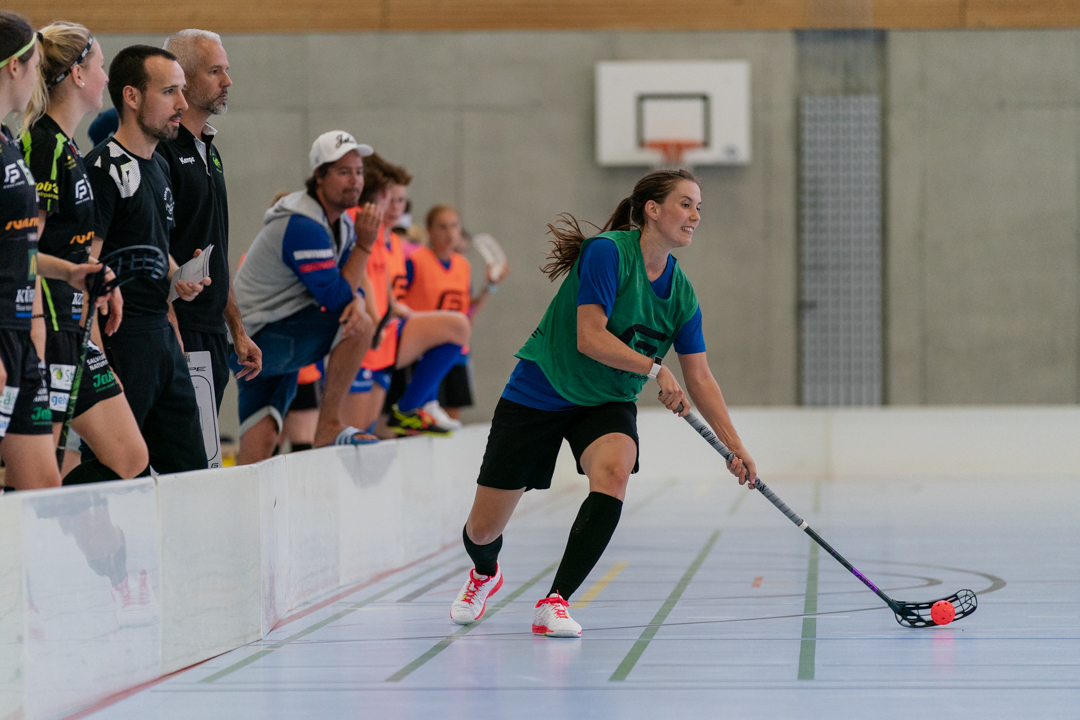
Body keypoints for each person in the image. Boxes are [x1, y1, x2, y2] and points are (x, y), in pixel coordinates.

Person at [447, 170, 758, 638]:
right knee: (483, 530)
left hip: (607, 401)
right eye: (686, 204)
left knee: (615, 470)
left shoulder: (682, 295)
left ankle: (554, 601)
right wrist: (655, 368)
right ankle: (485, 574)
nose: (696, 216)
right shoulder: (607, 253)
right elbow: (590, 337)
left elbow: (700, 376)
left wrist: (736, 447)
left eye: (699, 208)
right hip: (541, 391)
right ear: (652, 209)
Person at [21, 21, 149, 485]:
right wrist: (76, 277)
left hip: (76, 331)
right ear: (77, 74)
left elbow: (69, 245)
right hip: (49, 330)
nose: (106, 78)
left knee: (130, 455)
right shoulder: (41, 147)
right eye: (100, 66)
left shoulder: (68, 147)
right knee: (41, 474)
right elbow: (22, 254)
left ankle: (72, 535)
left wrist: (96, 276)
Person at [0, 14, 118, 490]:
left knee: (42, 488)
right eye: (33, 66)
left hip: (27, 330)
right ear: (14, 68)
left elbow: (22, 247)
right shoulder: (39, 143)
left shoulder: (9, 143)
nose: (37, 76)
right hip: (19, 330)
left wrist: (73, 275)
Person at [83, 44, 212, 475]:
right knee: (116, 470)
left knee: (190, 470)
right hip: (121, 337)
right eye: (170, 91)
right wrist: (98, 361)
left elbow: (151, 249)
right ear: (132, 97)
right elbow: (84, 272)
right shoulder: (101, 169)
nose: (182, 104)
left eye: (183, 91)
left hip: (161, 335)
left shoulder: (156, 167)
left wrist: (180, 277)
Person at [230, 131, 379, 463]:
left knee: (261, 439)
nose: (355, 181)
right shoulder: (303, 225)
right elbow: (335, 297)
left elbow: (348, 285)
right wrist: (366, 246)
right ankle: (328, 426)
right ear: (319, 176)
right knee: (361, 326)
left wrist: (356, 298)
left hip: (260, 336)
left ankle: (240, 510)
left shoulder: (338, 225)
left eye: (358, 171)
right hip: (256, 339)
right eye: (343, 172)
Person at [158, 29, 260, 412]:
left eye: (227, 70)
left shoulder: (209, 151)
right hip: (178, 329)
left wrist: (236, 328)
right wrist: (171, 329)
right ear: (183, 78)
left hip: (212, 331)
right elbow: (153, 245)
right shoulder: (162, 152)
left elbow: (215, 248)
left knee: (203, 455)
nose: (228, 81)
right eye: (215, 71)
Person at [342, 153, 470, 437]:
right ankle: (416, 405)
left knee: (368, 433)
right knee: (354, 434)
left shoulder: (396, 244)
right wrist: (377, 314)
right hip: (366, 334)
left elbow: (385, 283)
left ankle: (414, 405)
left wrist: (394, 308)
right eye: (391, 198)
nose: (395, 206)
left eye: (401, 201)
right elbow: (358, 272)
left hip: (387, 333)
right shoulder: (359, 223)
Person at [402, 205, 508, 427]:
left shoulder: (462, 265)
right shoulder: (415, 260)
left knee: (449, 423)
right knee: (412, 423)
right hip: (420, 350)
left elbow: (466, 312)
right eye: (442, 226)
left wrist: (489, 285)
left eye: (454, 226)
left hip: (455, 350)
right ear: (429, 230)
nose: (450, 233)